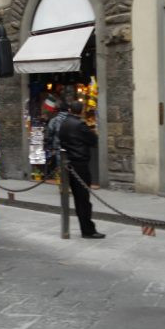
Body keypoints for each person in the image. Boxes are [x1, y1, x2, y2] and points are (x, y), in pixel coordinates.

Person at [58, 100, 104, 239]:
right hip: (80, 164)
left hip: (68, 163)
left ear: (70, 109)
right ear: (81, 111)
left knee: (79, 199)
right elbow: (93, 140)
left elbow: (60, 139)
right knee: (83, 199)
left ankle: (85, 228)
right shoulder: (80, 125)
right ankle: (87, 230)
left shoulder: (64, 123)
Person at [45, 100, 69, 177]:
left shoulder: (54, 120)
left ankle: (62, 184)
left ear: (59, 110)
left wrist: (50, 145)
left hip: (58, 147)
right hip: (72, 148)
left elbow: (49, 135)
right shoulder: (73, 120)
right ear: (68, 109)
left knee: (61, 167)